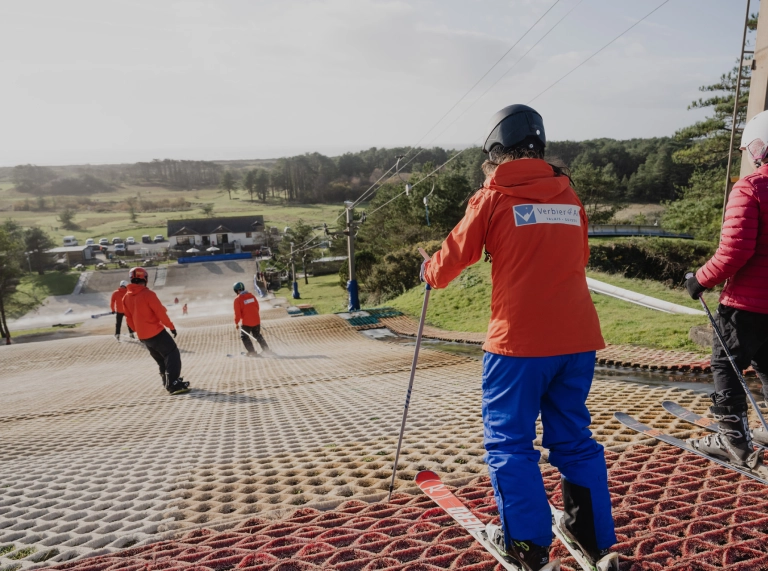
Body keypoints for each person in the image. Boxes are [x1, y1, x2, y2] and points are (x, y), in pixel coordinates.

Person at [420, 105, 616, 571]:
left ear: (494, 151)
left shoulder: (492, 195)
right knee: (575, 440)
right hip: (577, 341)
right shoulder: (568, 195)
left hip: (518, 346)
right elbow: (580, 255)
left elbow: (449, 262)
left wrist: (428, 270)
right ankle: (593, 540)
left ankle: (527, 547)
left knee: (510, 444)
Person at [684, 109, 768, 469]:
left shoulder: (751, 187)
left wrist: (699, 280)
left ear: (759, 148)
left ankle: (733, 442)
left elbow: (735, 252)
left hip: (746, 305)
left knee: (726, 365)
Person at [123, 267, 189, 395]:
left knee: (161, 359)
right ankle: (173, 384)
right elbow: (160, 313)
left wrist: (139, 331)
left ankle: (167, 382)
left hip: (143, 336)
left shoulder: (126, 297)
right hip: (156, 332)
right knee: (172, 353)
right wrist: (171, 327)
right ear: (145, 279)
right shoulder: (148, 294)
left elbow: (128, 319)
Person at [233, 281, 270, 356]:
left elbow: (237, 314)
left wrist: (236, 323)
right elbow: (257, 307)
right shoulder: (252, 296)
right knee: (257, 335)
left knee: (244, 336)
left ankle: (252, 352)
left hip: (247, 322)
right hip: (256, 320)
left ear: (236, 290)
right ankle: (267, 350)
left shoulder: (237, 300)